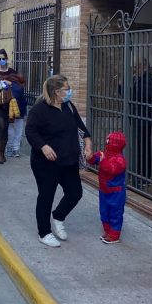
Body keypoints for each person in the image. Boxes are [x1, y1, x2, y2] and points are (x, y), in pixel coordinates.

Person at [25, 75, 92, 248]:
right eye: (67, 89)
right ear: (56, 91)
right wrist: (43, 146)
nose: (70, 92)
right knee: (46, 195)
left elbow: (80, 126)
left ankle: (58, 216)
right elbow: (30, 131)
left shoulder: (68, 106)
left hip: (68, 160)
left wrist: (88, 143)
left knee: (75, 192)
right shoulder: (40, 109)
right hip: (46, 163)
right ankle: (44, 232)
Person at [88, 131, 128, 243]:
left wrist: (103, 160)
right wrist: (90, 157)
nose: (107, 143)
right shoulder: (104, 154)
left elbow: (112, 169)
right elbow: (94, 159)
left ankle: (114, 234)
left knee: (115, 212)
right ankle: (107, 230)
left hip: (116, 192)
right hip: (104, 190)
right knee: (104, 211)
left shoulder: (120, 159)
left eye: (108, 141)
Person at [129, 57, 152, 187]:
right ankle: (137, 174)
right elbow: (130, 96)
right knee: (138, 147)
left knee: (144, 148)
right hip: (138, 118)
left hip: (145, 119)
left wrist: (132, 87)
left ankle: (145, 177)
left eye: (137, 66)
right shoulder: (137, 79)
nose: (135, 69)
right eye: (135, 67)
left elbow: (144, 96)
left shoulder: (150, 80)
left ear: (145, 67)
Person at [5, 73, 27, 157]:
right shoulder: (20, 87)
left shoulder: (6, 85)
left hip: (9, 112)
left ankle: (9, 148)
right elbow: (23, 101)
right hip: (19, 112)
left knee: (10, 130)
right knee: (18, 131)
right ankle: (16, 149)